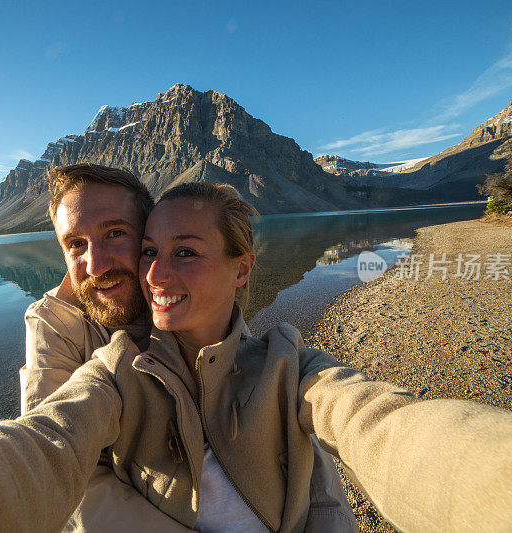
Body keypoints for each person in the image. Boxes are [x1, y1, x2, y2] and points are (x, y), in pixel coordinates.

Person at [0, 181, 512, 532]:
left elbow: (387, 427)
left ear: (244, 267)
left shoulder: (292, 364)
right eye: (151, 250)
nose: (155, 272)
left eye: (184, 251)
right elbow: (35, 448)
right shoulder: (120, 370)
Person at [19, 164, 356, 531]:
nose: (96, 266)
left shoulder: (181, 298)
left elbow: (289, 411)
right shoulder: (55, 323)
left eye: (115, 233)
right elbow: (54, 453)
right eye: (75, 244)